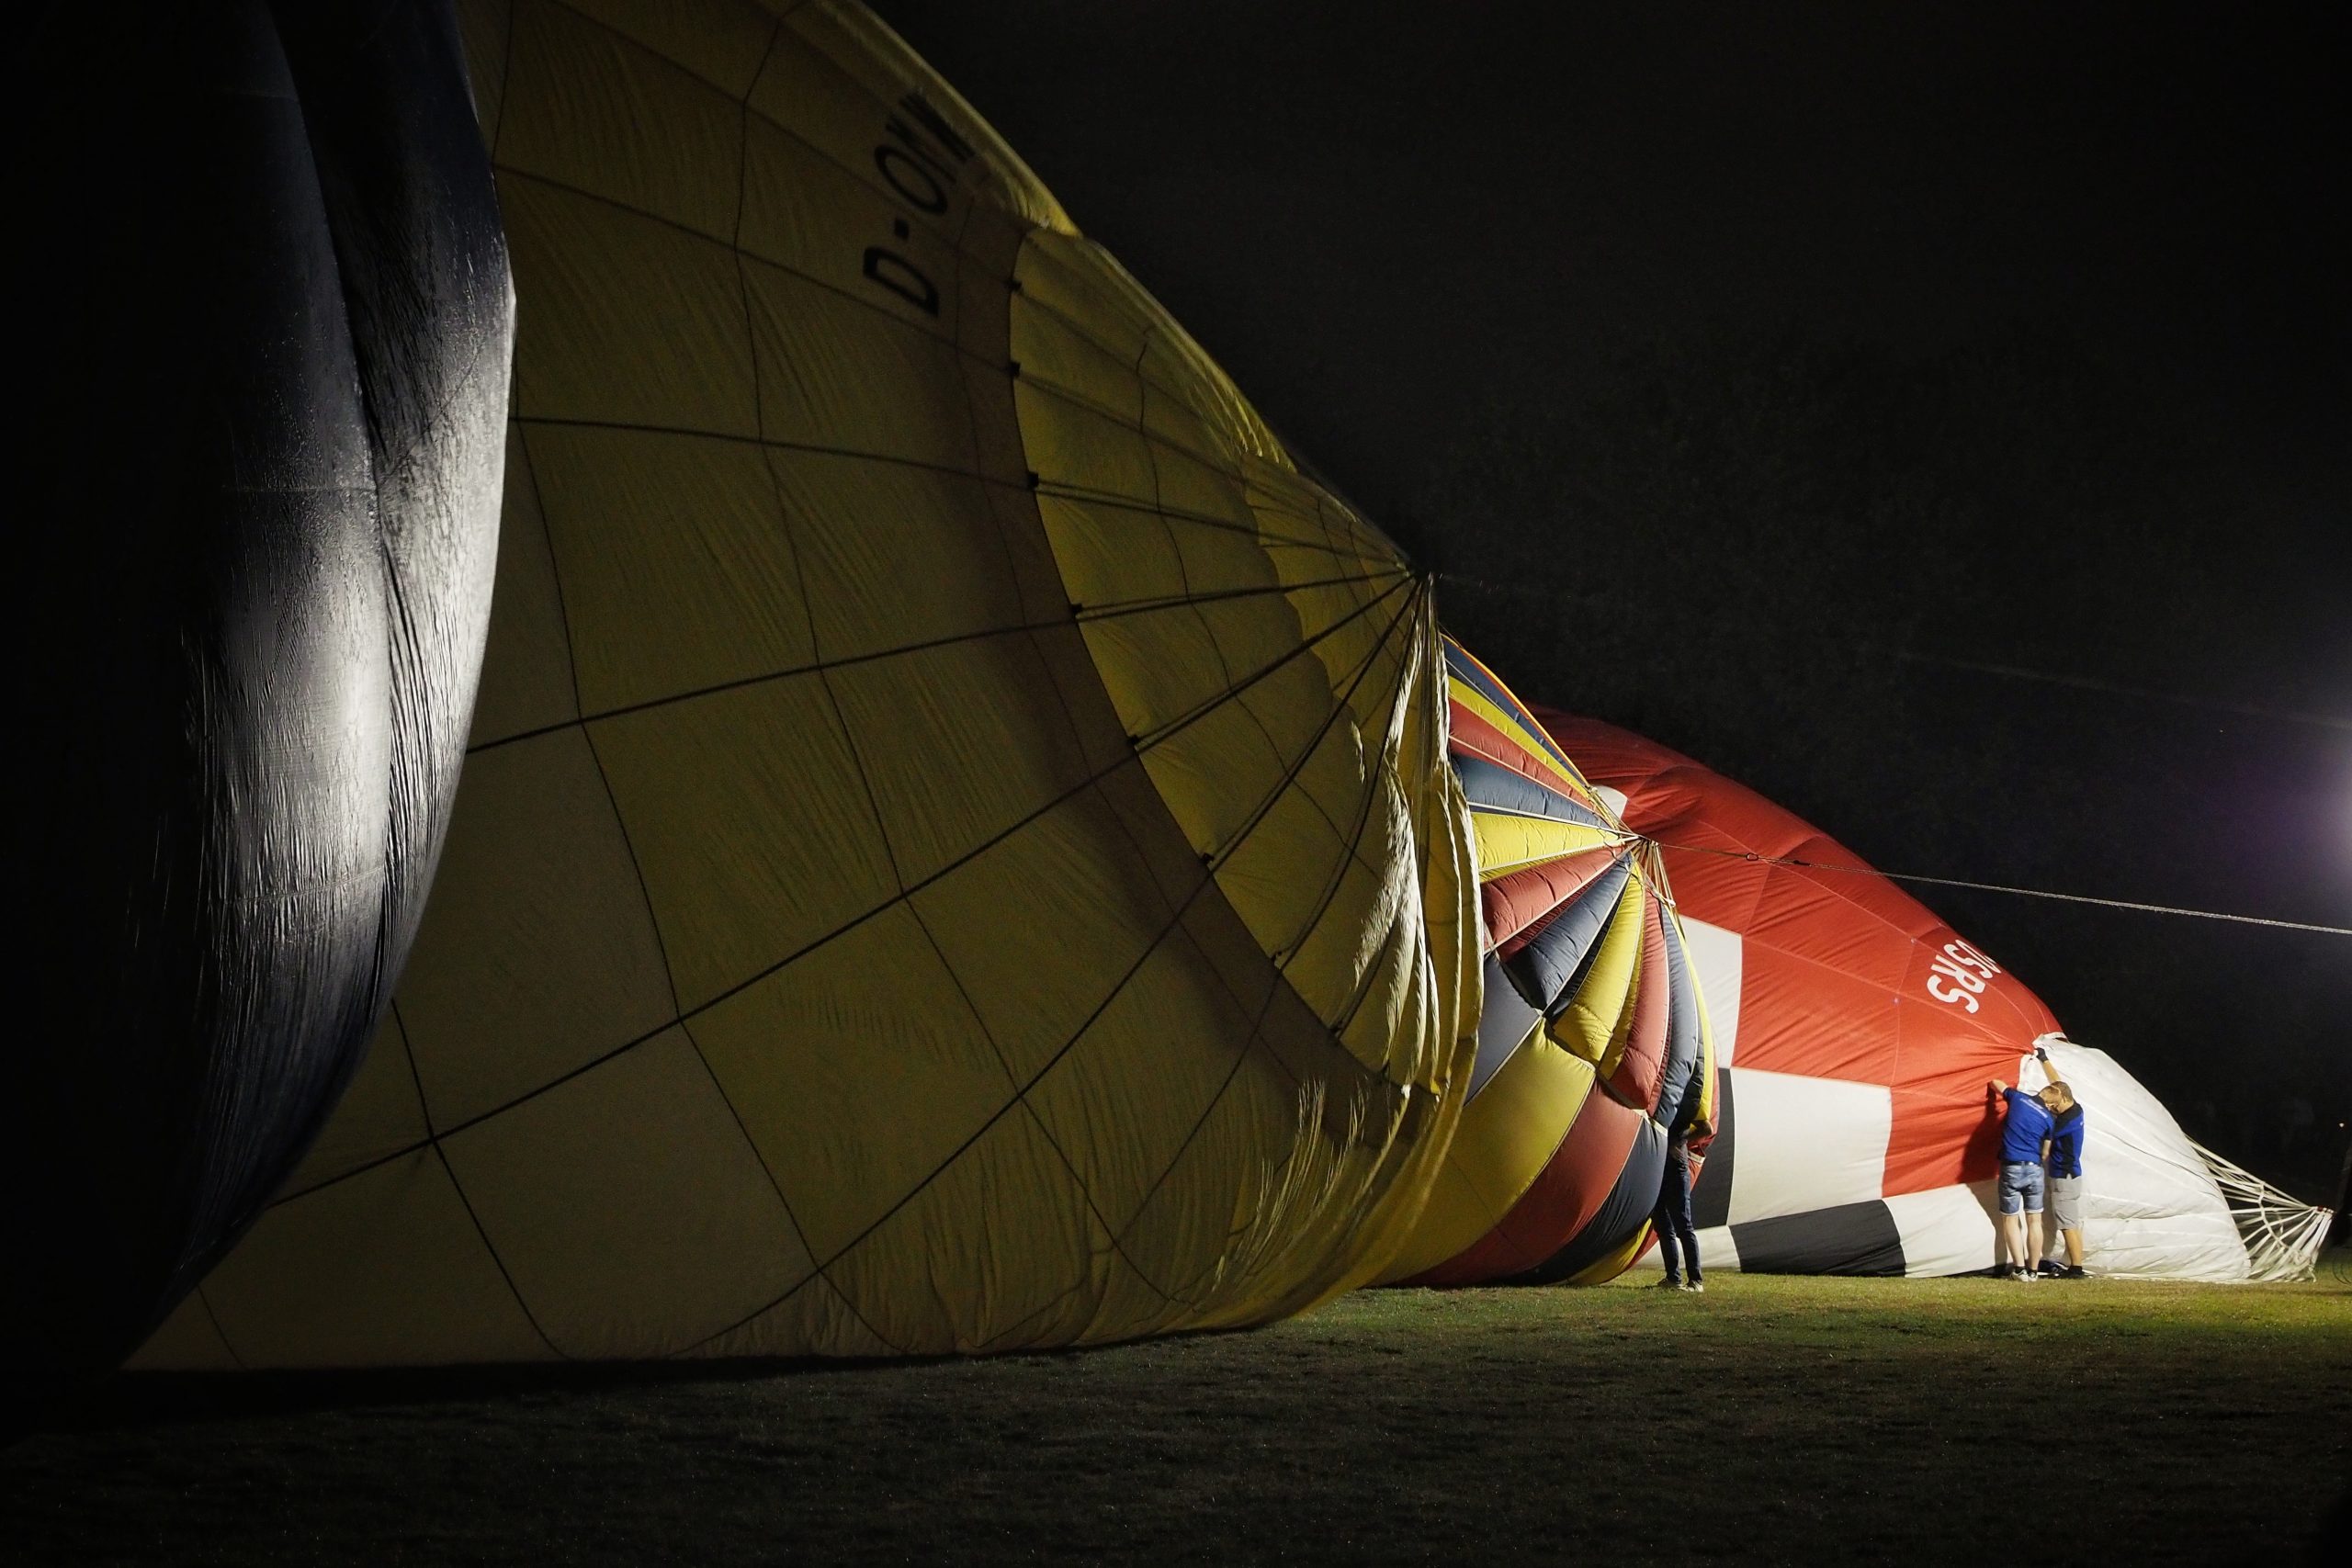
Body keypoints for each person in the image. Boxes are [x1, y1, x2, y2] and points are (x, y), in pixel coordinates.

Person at [1988, 1075, 2054, 1280]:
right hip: (2034, 1168)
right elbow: (2045, 1152)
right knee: (2034, 1220)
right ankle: (2033, 1271)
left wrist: (1992, 1104)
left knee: (2010, 1219)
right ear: (2050, 1103)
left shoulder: (2018, 1098)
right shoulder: (2049, 1119)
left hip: (2011, 1167)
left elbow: (1996, 1082)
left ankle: (2019, 1269)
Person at [1653, 1117, 1711, 1293]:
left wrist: (1681, 1140)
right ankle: (1673, 1278)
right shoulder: (1663, 1109)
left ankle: (1696, 1280)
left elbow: (1706, 1128)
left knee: (1683, 1226)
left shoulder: (1683, 1108)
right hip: (1659, 1169)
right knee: (1663, 1226)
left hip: (1676, 1170)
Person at [2042, 1079, 2086, 1278]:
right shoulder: (2077, 1110)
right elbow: (2058, 1084)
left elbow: (2045, 1133)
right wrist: (2045, 1063)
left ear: (2064, 1099)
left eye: (2054, 1105)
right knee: (2071, 1223)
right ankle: (2075, 1264)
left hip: (2063, 1177)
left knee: (2067, 1224)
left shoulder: (2063, 1123)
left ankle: (2076, 1268)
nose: (2052, 1109)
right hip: (2072, 1175)